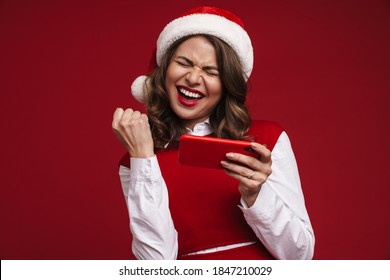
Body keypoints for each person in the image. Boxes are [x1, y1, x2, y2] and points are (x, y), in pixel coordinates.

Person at [112, 6, 315, 260]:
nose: (193, 78)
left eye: (211, 71)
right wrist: (142, 157)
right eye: (183, 63)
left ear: (226, 84)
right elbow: (156, 265)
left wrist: (256, 194)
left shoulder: (266, 140)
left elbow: (300, 256)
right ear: (164, 72)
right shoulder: (136, 161)